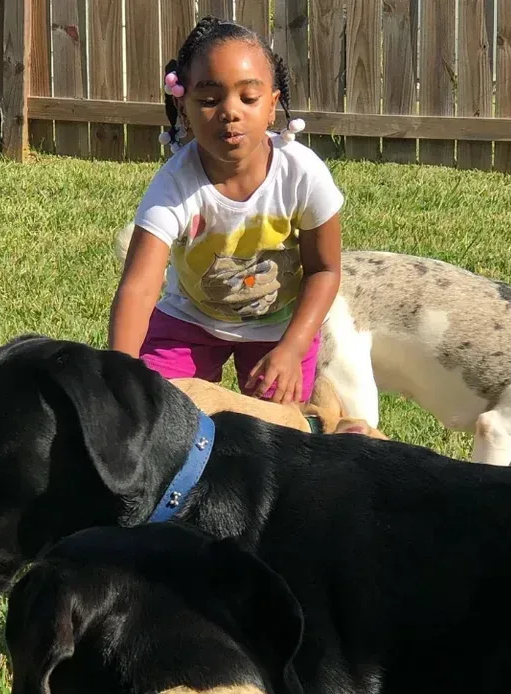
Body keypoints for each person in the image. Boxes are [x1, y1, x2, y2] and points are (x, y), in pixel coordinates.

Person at [109, 17, 343, 405]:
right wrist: (118, 374)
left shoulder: (303, 174)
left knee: (284, 435)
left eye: (248, 98)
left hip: (279, 328)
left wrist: (293, 348)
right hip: (190, 320)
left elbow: (325, 270)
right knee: (155, 410)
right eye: (209, 99)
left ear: (272, 105)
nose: (229, 112)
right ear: (183, 108)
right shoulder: (175, 183)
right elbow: (139, 286)